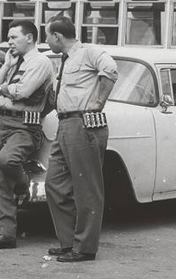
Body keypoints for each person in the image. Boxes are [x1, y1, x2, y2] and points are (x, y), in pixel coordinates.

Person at [44, 15, 118, 262]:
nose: (47, 41)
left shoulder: (89, 52)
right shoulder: (64, 60)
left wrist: (98, 102)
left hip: (84, 123)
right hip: (65, 123)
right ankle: (68, 242)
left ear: (57, 36)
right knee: (54, 183)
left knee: (87, 188)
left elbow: (110, 70)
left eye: (48, 36)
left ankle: (84, 248)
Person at [0, 20, 54, 250]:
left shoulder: (40, 62)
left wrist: (4, 89)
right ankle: (6, 234)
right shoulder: (12, 61)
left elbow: (24, 91)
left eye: (14, 37)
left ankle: (23, 187)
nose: (9, 42)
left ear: (30, 38)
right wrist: (5, 67)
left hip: (24, 124)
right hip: (1, 121)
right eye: (9, 38)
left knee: (6, 160)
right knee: (0, 178)